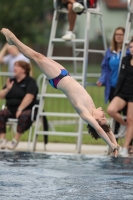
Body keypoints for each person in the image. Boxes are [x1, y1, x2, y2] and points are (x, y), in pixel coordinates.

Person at [0, 28, 119, 157]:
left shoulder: (85, 113)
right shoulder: (92, 108)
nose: (103, 113)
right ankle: (13, 41)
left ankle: (13, 39)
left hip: (57, 79)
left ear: (95, 120)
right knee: (40, 56)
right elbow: (106, 129)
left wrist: (110, 145)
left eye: (102, 117)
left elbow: (100, 129)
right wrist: (115, 143)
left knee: (36, 56)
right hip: (64, 74)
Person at [0, 60, 48, 150]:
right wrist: (7, 89)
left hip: (27, 109)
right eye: (14, 66)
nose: (14, 68)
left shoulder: (30, 82)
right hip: (11, 109)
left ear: (23, 70)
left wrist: (20, 109)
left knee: (24, 115)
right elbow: (1, 96)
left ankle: (15, 140)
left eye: (17, 66)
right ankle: (2, 139)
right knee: (1, 113)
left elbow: (29, 96)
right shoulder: (11, 81)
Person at [96, 27, 129, 138]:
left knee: (127, 114)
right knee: (115, 114)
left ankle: (129, 143)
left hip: (125, 88)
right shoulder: (110, 51)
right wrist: (102, 79)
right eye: (116, 34)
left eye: (121, 34)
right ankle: (115, 143)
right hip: (113, 86)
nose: (118, 36)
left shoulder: (128, 51)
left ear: (125, 36)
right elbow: (105, 67)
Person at [107, 37, 133, 157]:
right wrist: (117, 92)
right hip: (123, 91)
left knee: (131, 119)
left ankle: (125, 147)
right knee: (111, 110)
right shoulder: (125, 59)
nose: (132, 49)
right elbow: (121, 77)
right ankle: (124, 125)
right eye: (131, 47)